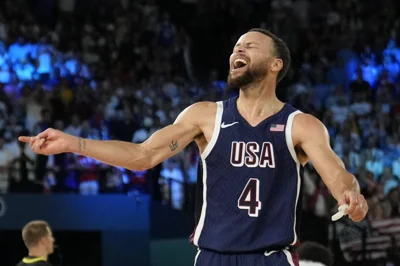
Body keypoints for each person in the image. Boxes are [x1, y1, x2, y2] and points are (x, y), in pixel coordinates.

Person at [19, 28, 368, 266]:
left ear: (276, 64)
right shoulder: (205, 116)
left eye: (249, 45)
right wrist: (73, 143)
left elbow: (337, 174)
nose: (238, 50)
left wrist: (350, 195)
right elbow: (143, 156)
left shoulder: (300, 124)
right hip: (212, 256)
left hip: (268, 257)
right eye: (235, 47)